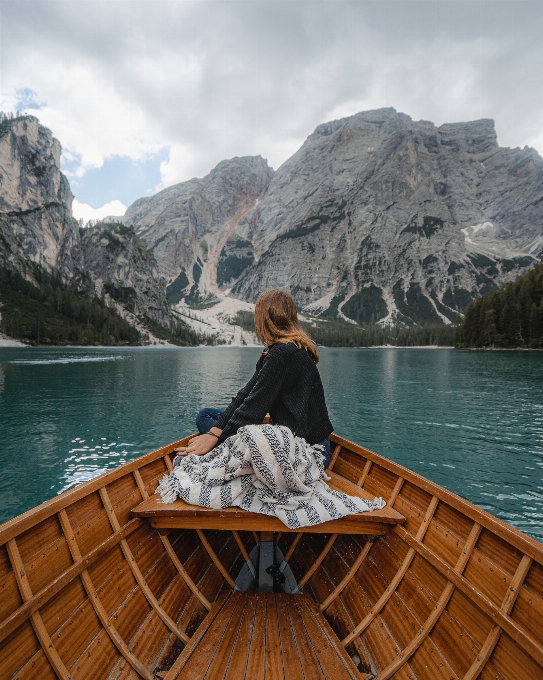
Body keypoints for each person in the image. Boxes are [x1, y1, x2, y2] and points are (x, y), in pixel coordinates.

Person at [174, 289, 334, 466]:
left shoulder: (282, 355)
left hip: (305, 449)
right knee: (206, 416)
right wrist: (214, 433)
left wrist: (217, 447)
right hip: (290, 436)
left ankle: (218, 453)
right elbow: (244, 396)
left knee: (220, 427)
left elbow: (252, 410)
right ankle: (221, 446)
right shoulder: (282, 351)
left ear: (264, 319)